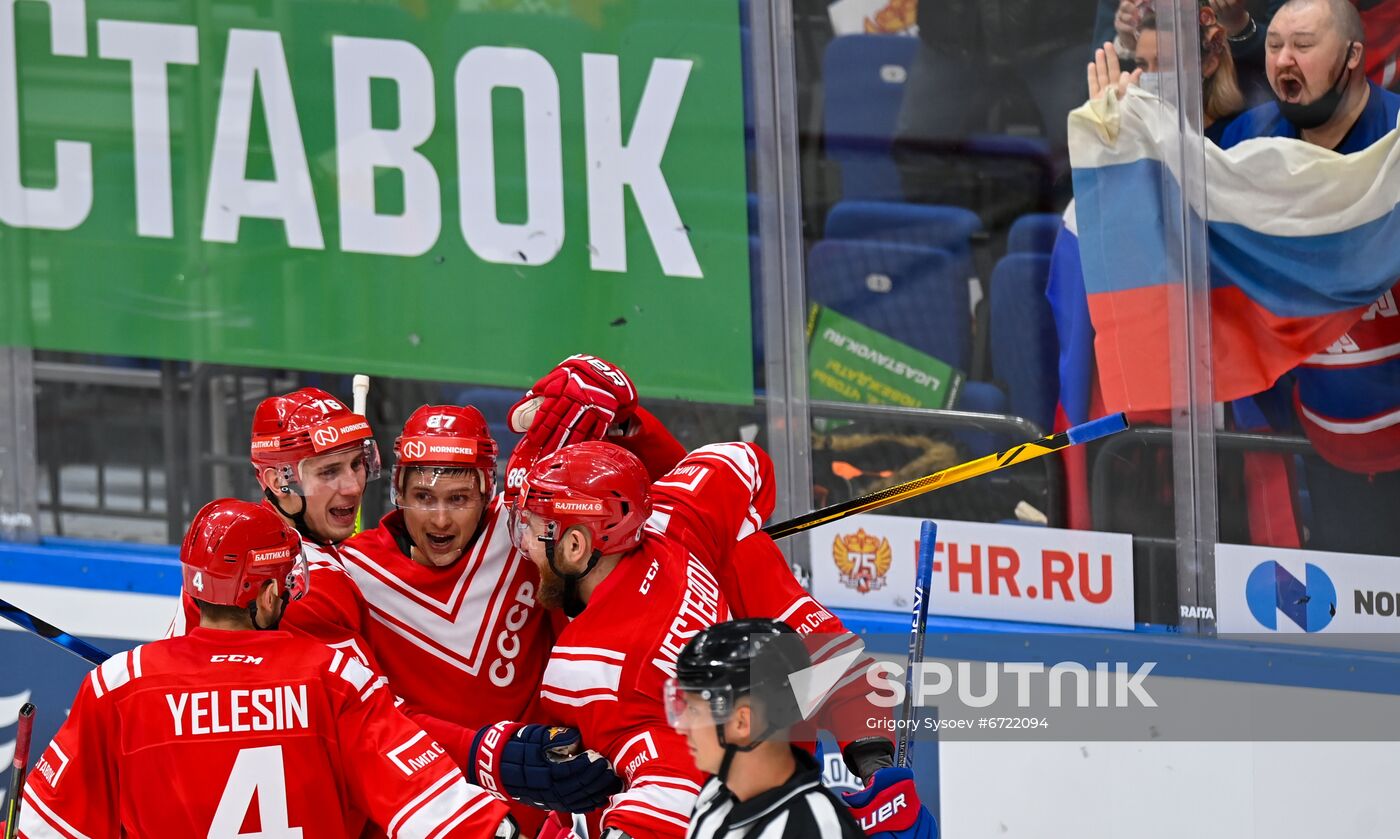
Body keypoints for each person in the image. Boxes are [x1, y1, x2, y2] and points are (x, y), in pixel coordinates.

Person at [19, 498, 515, 838]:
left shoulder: (119, 687)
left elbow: (44, 827)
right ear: (271, 592)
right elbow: (442, 815)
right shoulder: (334, 678)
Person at [1219, 0, 1400, 554]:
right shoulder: (1248, 144)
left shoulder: (1396, 138)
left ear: (1351, 58)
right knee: (1353, 630)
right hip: (1324, 445)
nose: (1282, 60)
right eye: (1273, 46)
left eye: (1302, 44)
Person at [668, 619, 867, 839]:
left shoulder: (817, 830)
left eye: (694, 711)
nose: (681, 728)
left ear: (743, 722)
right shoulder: (714, 794)